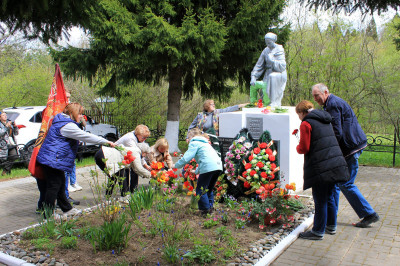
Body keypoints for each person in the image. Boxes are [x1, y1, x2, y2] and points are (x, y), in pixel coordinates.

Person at [312, 83, 380, 228]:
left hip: (351, 148)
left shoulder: (332, 104)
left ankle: (369, 214)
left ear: (325, 92)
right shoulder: (332, 103)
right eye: (313, 96)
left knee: (345, 183)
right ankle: (331, 219)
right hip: (351, 146)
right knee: (337, 183)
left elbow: (337, 132)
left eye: (317, 95)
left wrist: (329, 151)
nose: (315, 99)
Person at [36, 103, 115, 217]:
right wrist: (105, 141)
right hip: (52, 159)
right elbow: (85, 136)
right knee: (54, 186)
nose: (82, 116)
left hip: (53, 159)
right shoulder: (67, 125)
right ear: (73, 112)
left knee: (61, 184)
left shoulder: (62, 122)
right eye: (80, 113)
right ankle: (47, 214)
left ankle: (66, 209)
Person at [295, 100, 350, 240]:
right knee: (330, 196)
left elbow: (304, 148)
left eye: (298, 114)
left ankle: (317, 231)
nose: (299, 117)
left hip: (321, 166)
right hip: (335, 163)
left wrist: (297, 147)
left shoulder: (306, 123)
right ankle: (331, 226)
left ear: (302, 112)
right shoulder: (325, 119)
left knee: (320, 199)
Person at [174, 128, 223, 216]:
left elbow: (186, 158)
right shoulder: (205, 143)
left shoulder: (194, 143)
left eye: (188, 137)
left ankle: (205, 211)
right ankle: (210, 209)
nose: (187, 140)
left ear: (191, 136)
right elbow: (205, 159)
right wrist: (196, 171)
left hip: (208, 167)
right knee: (208, 189)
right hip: (218, 166)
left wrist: (175, 165)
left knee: (201, 190)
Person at [250, 32, 287, 108]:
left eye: (269, 43)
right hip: (268, 74)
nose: (268, 44)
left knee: (272, 76)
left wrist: (272, 61)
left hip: (279, 74)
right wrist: (253, 76)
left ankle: (274, 102)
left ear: (274, 41)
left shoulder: (279, 49)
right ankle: (264, 103)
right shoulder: (266, 50)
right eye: (266, 42)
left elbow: (282, 66)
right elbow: (259, 65)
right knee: (264, 89)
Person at [0, 111, 19, 175]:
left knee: (14, 156)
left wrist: (15, 126)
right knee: (3, 159)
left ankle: (5, 170)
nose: (5, 116)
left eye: (5, 115)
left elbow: (16, 133)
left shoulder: (9, 123)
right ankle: (7, 171)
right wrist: (6, 127)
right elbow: (1, 133)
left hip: (11, 143)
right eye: (3, 115)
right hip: (3, 144)